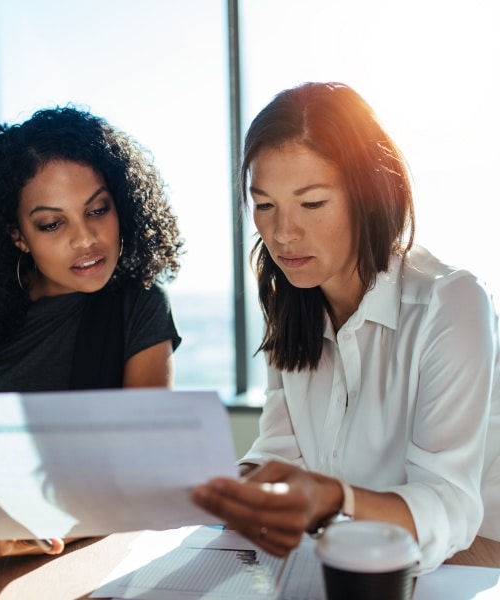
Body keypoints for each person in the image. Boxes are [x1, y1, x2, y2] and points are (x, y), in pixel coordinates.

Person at [192, 81, 500, 574]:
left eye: (312, 204)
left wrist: (333, 498)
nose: (282, 233)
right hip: (348, 558)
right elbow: (280, 451)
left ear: (369, 197)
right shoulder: (290, 301)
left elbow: (450, 508)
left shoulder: (451, 302)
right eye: (265, 205)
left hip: (472, 565)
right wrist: (229, 487)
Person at [0, 106, 184, 557]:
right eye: (52, 223)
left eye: (97, 209)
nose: (85, 238)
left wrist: (33, 531)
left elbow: (141, 477)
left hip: (76, 552)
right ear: (17, 235)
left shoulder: (140, 306)